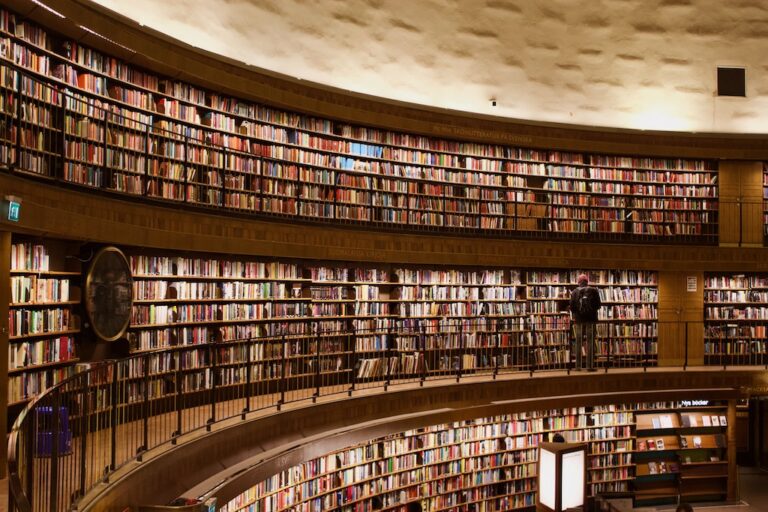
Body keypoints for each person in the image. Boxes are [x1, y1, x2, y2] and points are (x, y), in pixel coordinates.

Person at [569, 273, 601, 371]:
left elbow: (572, 306)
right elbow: (598, 305)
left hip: (579, 320)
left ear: (579, 282)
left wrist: (576, 314)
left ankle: (578, 366)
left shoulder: (574, 292)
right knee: (590, 342)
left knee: (578, 342)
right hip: (591, 319)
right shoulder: (594, 290)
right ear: (587, 281)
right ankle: (590, 366)